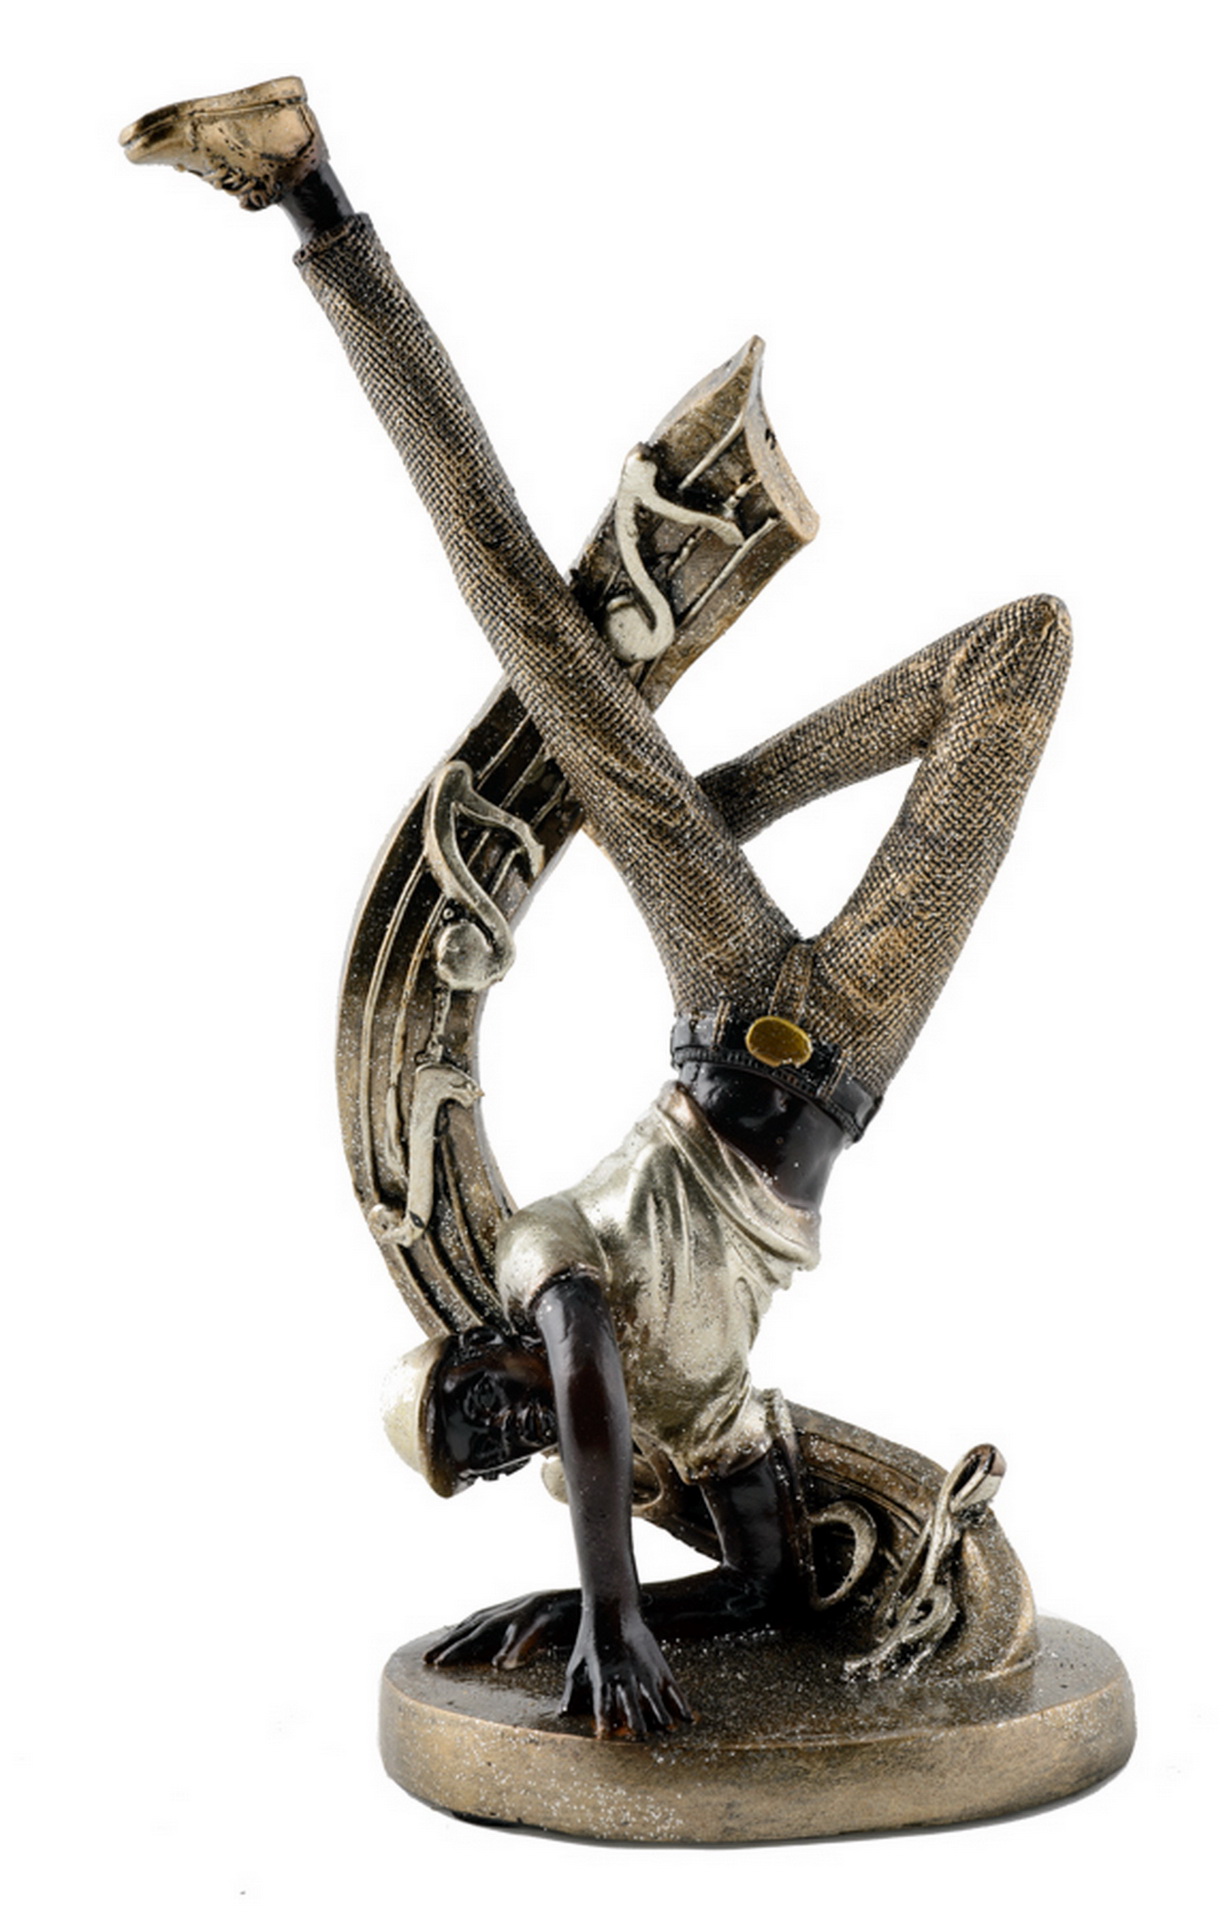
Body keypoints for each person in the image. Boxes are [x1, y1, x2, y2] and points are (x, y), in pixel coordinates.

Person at [122, 78, 1072, 1739]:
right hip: (855, 1043)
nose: (504, 1434)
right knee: (1027, 655)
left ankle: (310, 196)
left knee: (525, 614)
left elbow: (575, 1375)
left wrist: (611, 1596)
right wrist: (582, 1610)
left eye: (472, 1408)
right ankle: (718, 792)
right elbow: (761, 1581)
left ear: (476, 1346)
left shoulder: (541, 1268)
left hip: (724, 1003)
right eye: (485, 1457)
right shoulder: (678, 1428)